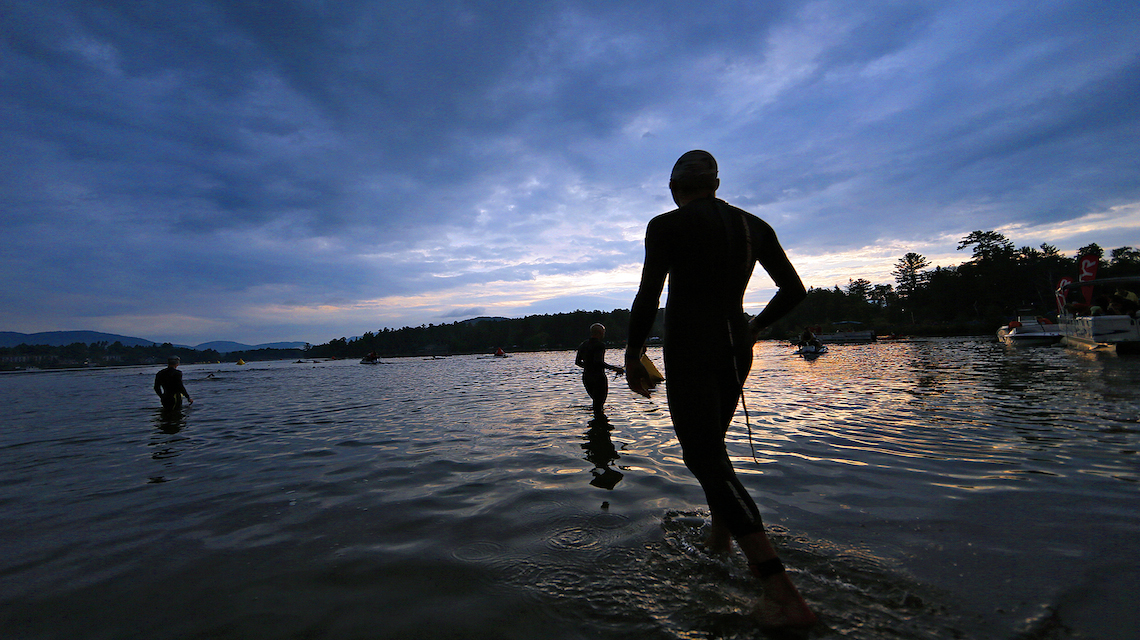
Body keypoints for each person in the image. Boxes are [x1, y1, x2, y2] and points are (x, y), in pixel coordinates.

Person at [624, 150, 815, 629]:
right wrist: (756, 326)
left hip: (690, 347)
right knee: (713, 450)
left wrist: (632, 354)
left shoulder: (666, 225)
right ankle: (720, 536)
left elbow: (649, 293)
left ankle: (781, 592)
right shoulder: (754, 226)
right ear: (716, 184)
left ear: (675, 189)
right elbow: (794, 290)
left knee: (703, 456)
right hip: (735, 349)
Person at [575, 323, 624, 417]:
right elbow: (598, 362)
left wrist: (588, 367)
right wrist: (615, 368)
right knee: (599, 405)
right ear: (600, 333)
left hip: (587, 377)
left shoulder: (583, 345)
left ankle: (595, 423)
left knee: (596, 402)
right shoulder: (600, 345)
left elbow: (577, 362)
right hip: (598, 378)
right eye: (603, 332)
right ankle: (600, 422)